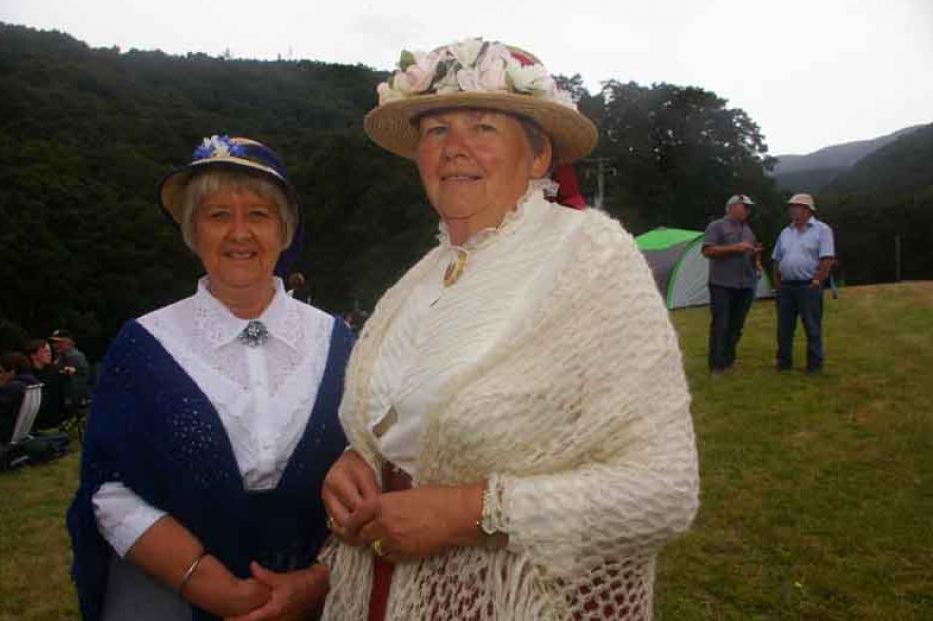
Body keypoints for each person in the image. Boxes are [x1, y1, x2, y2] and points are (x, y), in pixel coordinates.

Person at [319, 38, 699, 620]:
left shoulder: (592, 258)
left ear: (539, 155)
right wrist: (360, 460)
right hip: (375, 594)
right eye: (437, 130)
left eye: (484, 128)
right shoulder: (416, 280)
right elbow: (405, 422)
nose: (455, 149)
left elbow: (664, 491)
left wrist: (471, 512)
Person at [67, 135, 354, 621]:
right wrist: (207, 583)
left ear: (284, 232)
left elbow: (370, 463)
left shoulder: (336, 341)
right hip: (174, 580)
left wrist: (315, 582)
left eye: (258, 215)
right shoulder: (144, 344)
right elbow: (110, 487)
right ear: (192, 231)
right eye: (218, 215)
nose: (239, 233)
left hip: (322, 578)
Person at [772, 193, 835, 373]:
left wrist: (817, 279)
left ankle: (814, 365)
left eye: (796, 206)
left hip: (809, 285)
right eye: (791, 206)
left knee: (812, 326)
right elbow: (776, 259)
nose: (792, 209)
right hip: (786, 286)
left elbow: (827, 258)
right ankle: (783, 363)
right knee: (784, 329)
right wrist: (777, 284)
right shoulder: (785, 232)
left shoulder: (822, 230)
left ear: (808, 210)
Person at [701, 194, 763, 374]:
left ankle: (729, 361)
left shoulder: (748, 230)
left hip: (745, 284)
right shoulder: (716, 226)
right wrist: (735, 248)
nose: (748, 210)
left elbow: (749, 253)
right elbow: (707, 250)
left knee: (737, 325)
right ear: (732, 207)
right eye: (745, 206)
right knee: (721, 324)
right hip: (722, 283)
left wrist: (756, 259)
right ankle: (716, 365)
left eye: (749, 207)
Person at [0, 351, 39, 445]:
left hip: (0, 435)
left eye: (0, 372)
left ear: (12, 371)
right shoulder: (31, 383)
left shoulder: (13, 388)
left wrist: (1, 387)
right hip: (16, 433)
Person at [25, 338, 67, 429]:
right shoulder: (26, 375)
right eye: (44, 351)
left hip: (55, 421)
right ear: (33, 355)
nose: (49, 354)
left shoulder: (56, 372)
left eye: (49, 351)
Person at [48, 329, 91, 412]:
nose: (55, 345)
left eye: (59, 342)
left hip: (73, 402)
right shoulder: (61, 356)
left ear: (69, 342)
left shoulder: (73, 356)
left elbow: (78, 382)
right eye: (54, 343)